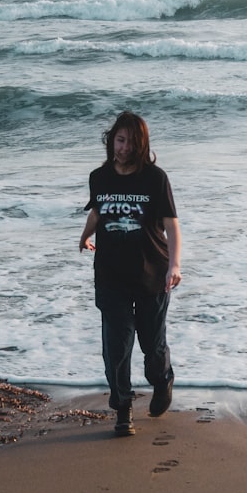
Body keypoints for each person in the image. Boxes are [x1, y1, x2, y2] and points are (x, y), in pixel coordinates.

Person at [79, 111, 182, 437]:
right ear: (111, 141)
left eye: (130, 143)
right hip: (111, 275)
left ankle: (162, 379)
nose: (123, 148)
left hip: (152, 273)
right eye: (119, 140)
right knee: (116, 347)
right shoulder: (99, 176)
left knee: (152, 345)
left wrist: (175, 265)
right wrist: (85, 235)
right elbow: (98, 210)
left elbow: (171, 226)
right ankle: (122, 408)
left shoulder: (155, 179)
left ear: (142, 146)